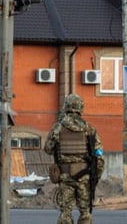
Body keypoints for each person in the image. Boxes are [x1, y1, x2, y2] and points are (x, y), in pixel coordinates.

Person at [43, 93, 104, 224]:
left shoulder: (58, 127)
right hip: (84, 177)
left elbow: (48, 149)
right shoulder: (89, 128)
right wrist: (96, 176)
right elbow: (99, 154)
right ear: (81, 108)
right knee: (85, 213)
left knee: (65, 212)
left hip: (65, 177)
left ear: (66, 107)